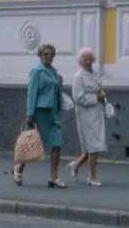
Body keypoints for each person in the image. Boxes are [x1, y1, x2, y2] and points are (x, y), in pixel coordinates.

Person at [13, 42, 67, 188]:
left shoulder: (55, 72)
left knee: (57, 143)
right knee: (31, 143)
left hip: (53, 112)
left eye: (51, 54)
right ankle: (19, 167)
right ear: (40, 55)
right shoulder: (36, 71)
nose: (49, 57)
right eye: (45, 54)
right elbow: (32, 93)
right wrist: (30, 114)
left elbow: (56, 91)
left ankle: (53, 176)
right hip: (39, 113)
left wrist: (60, 82)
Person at [67, 47, 107, 186]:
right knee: (93, 146)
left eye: (90, 59)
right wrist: (96, 97)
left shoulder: (96, 74)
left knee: (91, 146)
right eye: (85, 59)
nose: (88, 62)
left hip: (97, 113)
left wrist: (103, 100)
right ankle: (91, 176)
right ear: (80, 61)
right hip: (86, 115)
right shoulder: (78, 77)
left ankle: (76, 165)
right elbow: (78, 97)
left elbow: (100, 90)